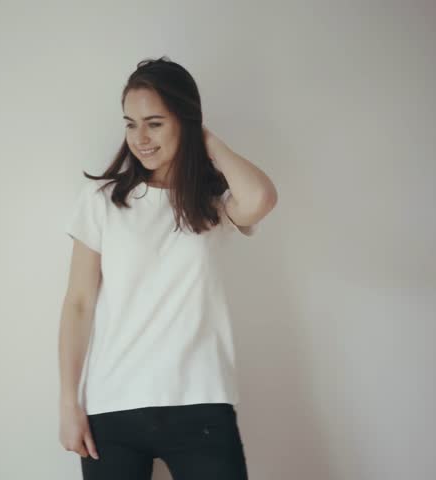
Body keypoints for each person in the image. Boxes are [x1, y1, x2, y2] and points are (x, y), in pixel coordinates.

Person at [58, 56, 277, 480]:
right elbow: (79, 304)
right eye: (130, 123)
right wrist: (69, 404)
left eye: (155, 122)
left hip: (201, 404)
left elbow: (262, 198)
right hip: (112, 406)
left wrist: (204, 138)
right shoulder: (102, 201)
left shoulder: (213, 205)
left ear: (186, 121)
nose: (140, 138)